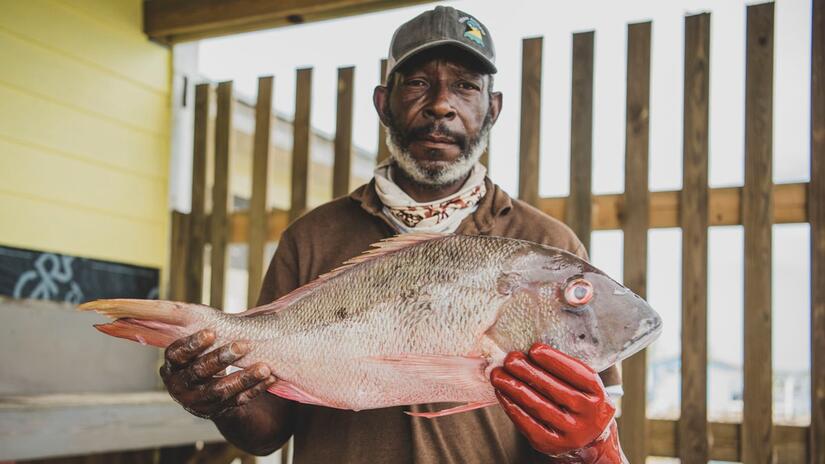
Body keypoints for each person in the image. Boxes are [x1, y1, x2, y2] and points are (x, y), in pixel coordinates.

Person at [159, 6, 628, 463]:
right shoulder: (313, 237)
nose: (442, 105)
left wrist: (584, 444)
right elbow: (267, 433)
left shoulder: (550, 247)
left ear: (493, 109)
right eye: (420, 83)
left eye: (466, 86)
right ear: (384, 103)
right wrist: (217, 398)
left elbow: (588, 430)